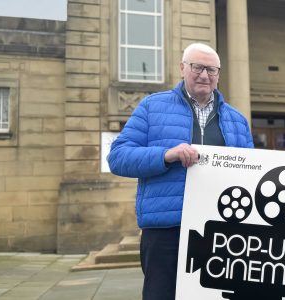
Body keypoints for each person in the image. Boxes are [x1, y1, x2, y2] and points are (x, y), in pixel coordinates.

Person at [108, 42, 254, 300]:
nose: (204, 75)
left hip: (221, 231)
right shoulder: (152, 107)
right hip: (166, 232)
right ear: (182, 68)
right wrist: (166, 155)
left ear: (219, 74)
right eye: (197, 67)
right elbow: (118, 157)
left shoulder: (237, 120)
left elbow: (252, 173)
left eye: (212, 70)